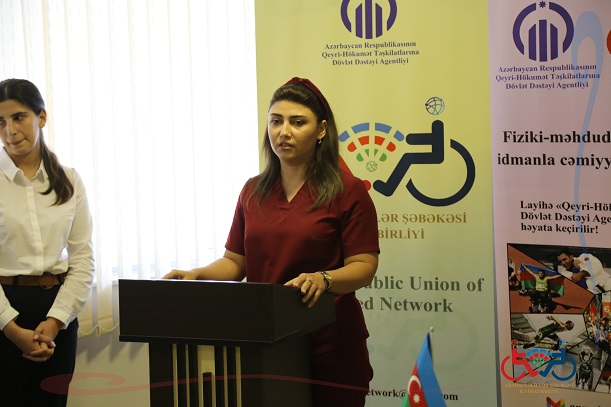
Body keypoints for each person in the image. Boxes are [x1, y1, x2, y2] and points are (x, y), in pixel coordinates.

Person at [164, 77, 379, 406]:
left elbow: (364, 266)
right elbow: (235, 262)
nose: (284, 132)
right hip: (268, 339)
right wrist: (198, 274)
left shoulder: (348, 191)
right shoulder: (253, 190)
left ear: (321, 130)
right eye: (276, 121)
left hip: (330, 342)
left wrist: (323, 278)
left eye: (297, 122)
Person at [0, 79, 94, 406]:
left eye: (18, 117)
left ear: (41, 117)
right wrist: (11, 329)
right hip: (4, 313)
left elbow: (83, 260)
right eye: (0, 122)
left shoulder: (69, 180)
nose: (10, 131)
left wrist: (55, 323)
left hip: (58, 314)